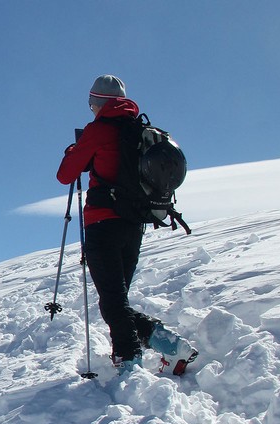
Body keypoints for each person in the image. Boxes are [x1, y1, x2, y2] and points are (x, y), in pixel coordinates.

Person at [57, 75, 196, 374]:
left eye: (92, 104)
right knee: (116, 300)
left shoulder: (99, 130)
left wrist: (74, 150)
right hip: (134, 225)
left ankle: (129, 360)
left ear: (99, 102)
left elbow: (66, 174)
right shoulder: (141, 130)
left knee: (113, 300)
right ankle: (168, 345)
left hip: (102, 223)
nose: (92, 109)